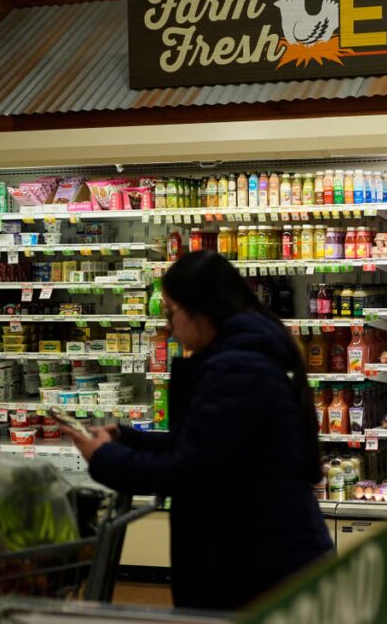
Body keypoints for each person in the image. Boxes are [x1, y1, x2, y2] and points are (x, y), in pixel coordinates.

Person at [61, 250, 333, 610]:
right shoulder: (244, 356)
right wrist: (129, 438)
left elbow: (194, 472)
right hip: (260, 551)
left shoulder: (237, 368)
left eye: (171, 312)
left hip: (256, 562)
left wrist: (105, 457)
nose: (169, 328)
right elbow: (209, 445)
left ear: (202, 309)